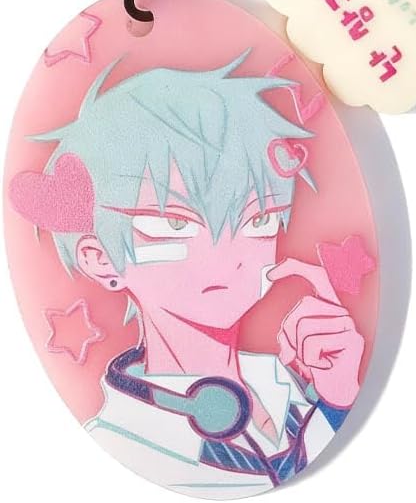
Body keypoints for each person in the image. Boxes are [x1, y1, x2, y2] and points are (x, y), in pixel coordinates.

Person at [17, 56, 364, 497]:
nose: (228, 257)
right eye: (176, 224)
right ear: (101, 258)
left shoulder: (288, 386)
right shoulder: (128, 438)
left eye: (258, 220)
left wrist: (336, 395)